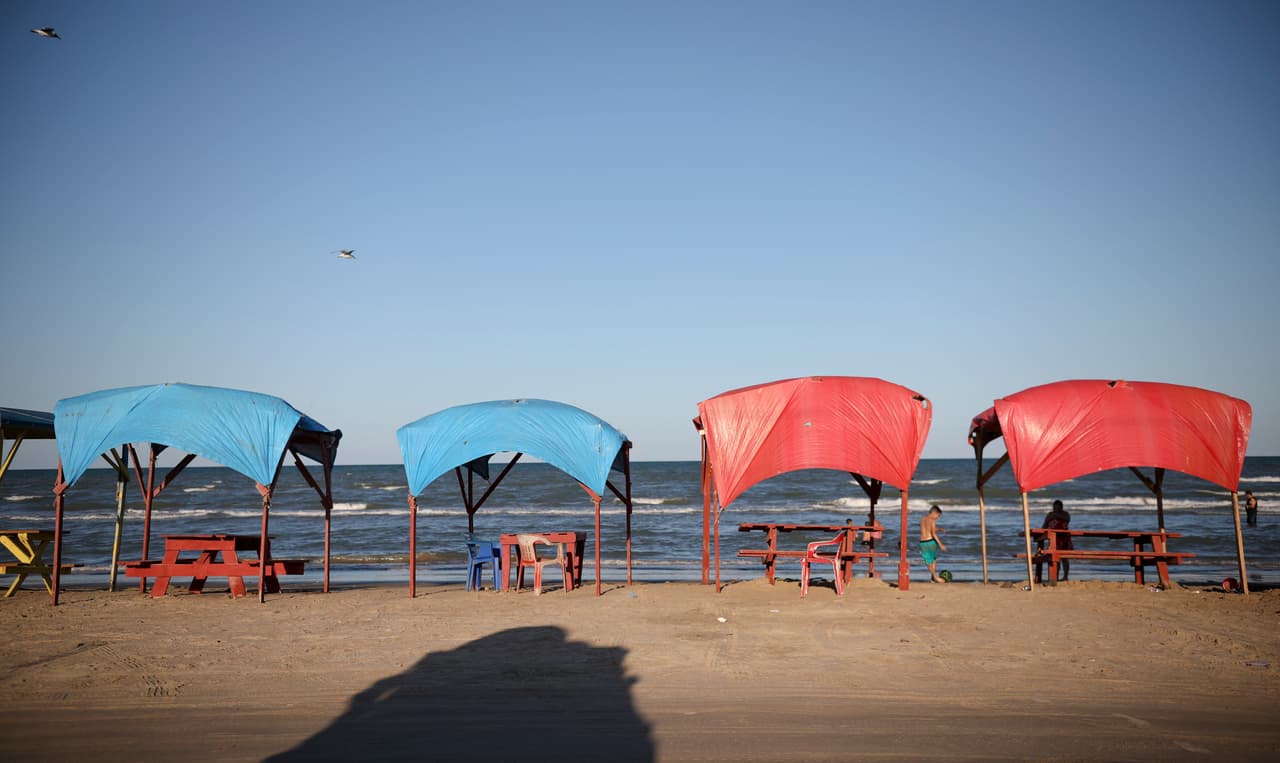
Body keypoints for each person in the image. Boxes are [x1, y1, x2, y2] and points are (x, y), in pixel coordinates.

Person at [1041, 499, 1072, 582]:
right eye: (1054, 508)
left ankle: (1065, 577)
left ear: (1061, 508)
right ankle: (1056, 576)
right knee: (1054, 558)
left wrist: (1056, 516)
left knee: (1064, 558)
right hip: (1053, 539)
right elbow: (1044, 526)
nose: (1056, 509)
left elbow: (1068, 519)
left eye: (1058, 508)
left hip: (1064, 538)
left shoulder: (1065, 514)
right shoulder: (1050, 515)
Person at [919, 505, 947, 583]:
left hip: (922, 542)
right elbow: (933, 534)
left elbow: (927, 528)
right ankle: (935, 577)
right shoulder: (932, 520)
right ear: (934, 512)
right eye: (938, 515)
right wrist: (941, 545)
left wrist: (939, 529)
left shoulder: (922, 518)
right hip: (930, 541)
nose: (937, 518)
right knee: (931, 561)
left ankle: (932, 578)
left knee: (931, 560)